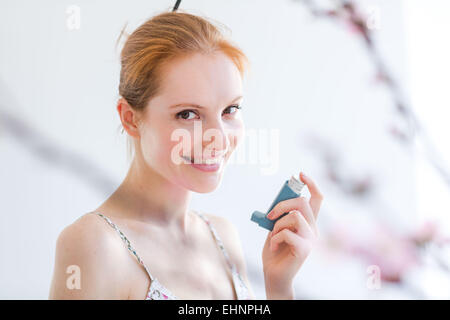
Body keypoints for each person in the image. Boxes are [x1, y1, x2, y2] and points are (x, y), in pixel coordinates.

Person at [49, 10, 323, 300]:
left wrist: (279, 286)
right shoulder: (94, 244)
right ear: (130, 118)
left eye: (230, 110)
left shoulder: (222, 236)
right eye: (188, 114)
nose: (217, 137)